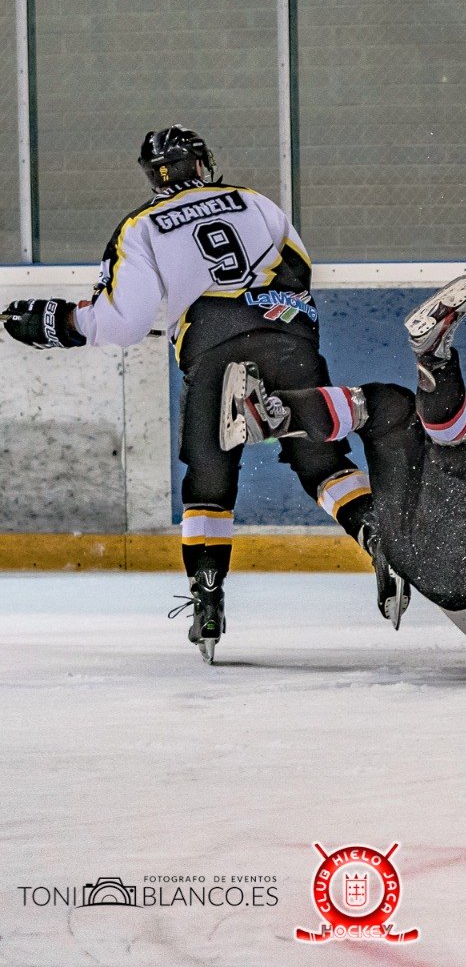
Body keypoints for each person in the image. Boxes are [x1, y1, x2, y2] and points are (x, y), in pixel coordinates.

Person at [1, 125, 379, 662]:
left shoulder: (141, 225)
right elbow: (298, 271)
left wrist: (58, 323)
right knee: (319, 457)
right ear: (200, 164)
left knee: (209, 476)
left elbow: (124, 322)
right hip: (288, 333)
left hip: (212, 346)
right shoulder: (253, 201)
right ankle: (377, 537)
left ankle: (206, 593)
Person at [223, 276, 466, 624]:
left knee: (457, 459)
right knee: (392, 407)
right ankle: (273, 415)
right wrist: (461, 423)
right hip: (410, 544)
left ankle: (435, 359)